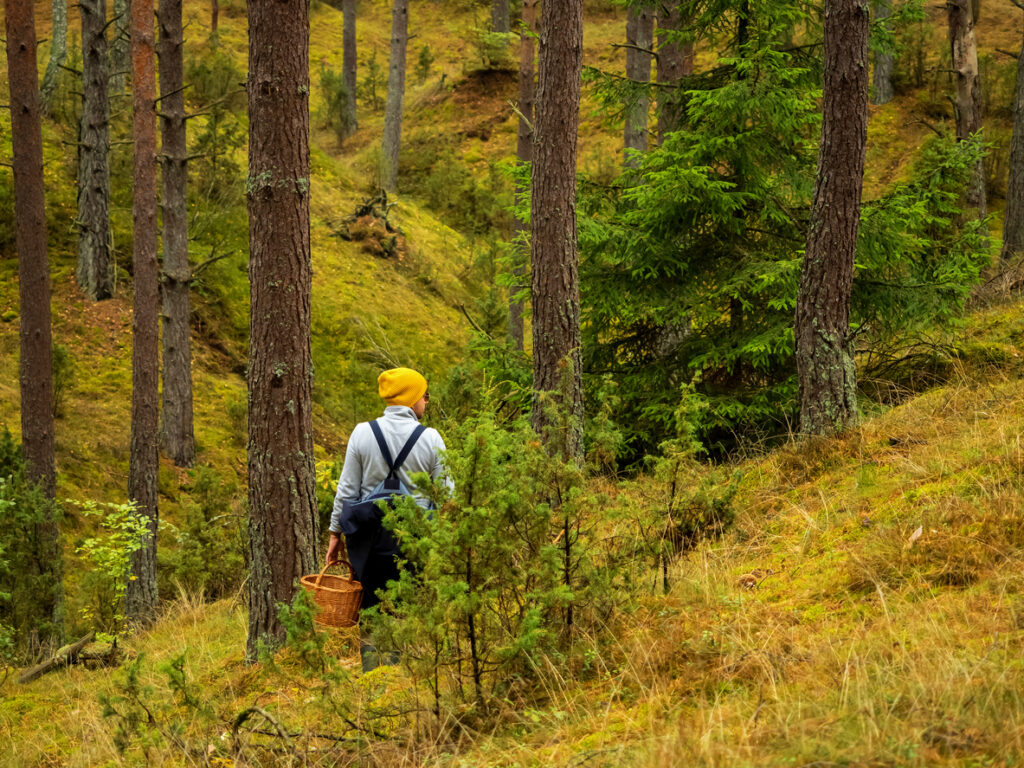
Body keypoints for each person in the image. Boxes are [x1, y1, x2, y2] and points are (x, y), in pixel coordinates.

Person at [326, 366, 449, 671]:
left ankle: (373, 676)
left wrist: (334, 534)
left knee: (370, 605)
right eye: (424, 395)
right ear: (411, 399)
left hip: (368, 539)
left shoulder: (362, 433)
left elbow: (347, 491)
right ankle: (407, 676)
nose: (426, 401)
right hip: (414, 539)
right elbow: (448, 497)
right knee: (410, 605)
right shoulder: (431, 438)